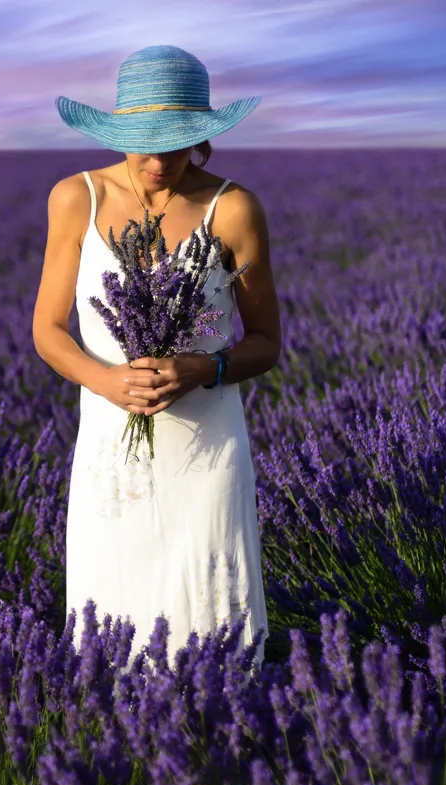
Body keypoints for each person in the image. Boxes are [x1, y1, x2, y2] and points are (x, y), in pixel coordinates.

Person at [33, 45, 278, 674]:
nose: (157, 159)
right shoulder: (75, 198)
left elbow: (265, 342)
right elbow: (48, 330)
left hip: (207, 444)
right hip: (112, 440)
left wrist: (205, 367)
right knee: (112, 606)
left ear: (201, 137)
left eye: (175, 142)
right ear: (117, 133)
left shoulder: (234, 208)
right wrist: (108, 382)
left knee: (211, 605)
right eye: (143, 141)